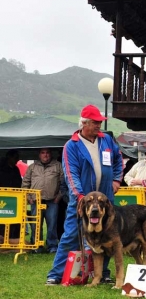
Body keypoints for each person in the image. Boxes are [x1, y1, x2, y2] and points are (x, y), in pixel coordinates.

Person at [46, 105, 123, 285]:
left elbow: (119, 159)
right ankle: (56, 274)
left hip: (105, 201)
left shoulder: (107, 140)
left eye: (99, 122)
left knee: (106, 236)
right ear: (84, 123)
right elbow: (71, 174)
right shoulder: (71, 146)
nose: (99, 126)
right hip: (81, 201)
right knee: (71, 235)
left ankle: (102, 273)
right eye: (95, 122)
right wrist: (80, 196)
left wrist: (117, 179)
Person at [22, 148, 64, 253]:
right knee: (35, 225)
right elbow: (25, 184)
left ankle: (52, 246)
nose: (45, 155)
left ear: (51, 154)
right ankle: (36, 246)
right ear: (39, 155)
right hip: (35, 201)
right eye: (43, 153)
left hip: (52, 201)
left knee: (52, 224)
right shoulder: (32, 167)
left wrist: (58, 197)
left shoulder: (58, 166)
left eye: (47, 153)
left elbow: (64, 183)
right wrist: (29, 198)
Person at [0, 149, 23, 240]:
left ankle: (13, 238)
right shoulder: (1, 168)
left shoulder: (16, 169)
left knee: (14, 219)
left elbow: (19, 182)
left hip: (14, 198)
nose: (17, 160)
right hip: (3, 198)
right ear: (9, 157)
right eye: (15, 157)